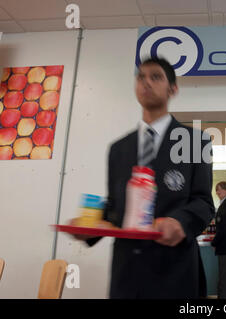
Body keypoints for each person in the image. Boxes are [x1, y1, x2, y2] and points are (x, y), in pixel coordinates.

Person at [73, 57, 215, 299]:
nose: (146, 82)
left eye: (156, 77)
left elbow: (203, 202)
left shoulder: (195, 142)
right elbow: (116, 207)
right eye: (141, 77)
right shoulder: (118, 149)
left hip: (175, 270)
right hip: (127, 273)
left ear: (173, 88)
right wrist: (92, 226)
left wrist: (179, 222)